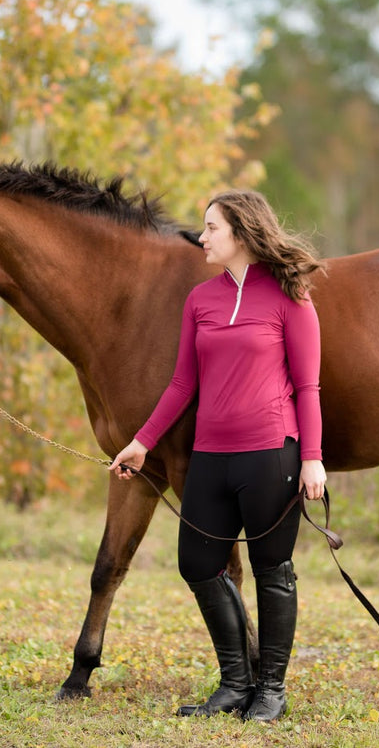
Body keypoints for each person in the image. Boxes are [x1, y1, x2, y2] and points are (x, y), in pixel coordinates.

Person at [109, 189, 327, 722]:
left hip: (272, 455)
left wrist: (313, 458)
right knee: (199, 564)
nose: (202, 237)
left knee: (272, 567)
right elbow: (183, 383)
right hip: (210, 455)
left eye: (212, 228)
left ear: (242, 233)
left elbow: (308, 387)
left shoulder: (289, 297)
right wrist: (142, 442)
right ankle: (235, 684)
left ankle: (270, 691)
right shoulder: (199, 300)